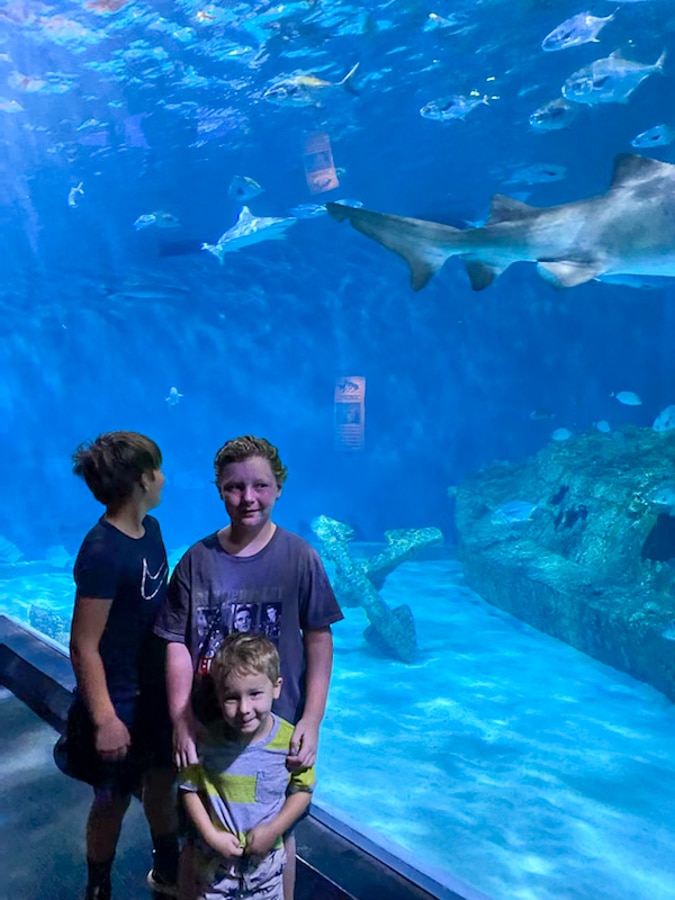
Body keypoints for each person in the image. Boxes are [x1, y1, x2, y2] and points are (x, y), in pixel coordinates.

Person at [154, 434, 343, 900]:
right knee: (198, 831)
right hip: (208, 725)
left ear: (278, 487)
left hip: (275, 728)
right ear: (220, 490)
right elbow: (176, 641)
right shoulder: (197, 561)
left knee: (279, 832)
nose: (248, 497)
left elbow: (319, 637)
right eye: (234, 487)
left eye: (260, 485)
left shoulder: (300, 557)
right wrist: (181, 719)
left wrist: (312, 720)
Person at [56, 431, 179, 900]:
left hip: (154, 692)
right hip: (118, 696)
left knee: (161, 781)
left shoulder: (152, 530)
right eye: (158, 468)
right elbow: (83, 645)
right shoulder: (103, 551)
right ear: (142, 479)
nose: (164, 477)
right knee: (112, 799)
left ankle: (167, 869)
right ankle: (98, 886)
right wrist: (105, 718)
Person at [179, 633, 314, 900]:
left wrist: (273, 831)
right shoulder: (207, 741)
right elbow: (188, 787)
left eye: (255, 694)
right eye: (231, 697)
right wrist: (211, 835)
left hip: (267, 869)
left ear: (276, 687)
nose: (244, 708)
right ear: (218, 696)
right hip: (215, 868)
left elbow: (303, 789)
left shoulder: (290, 741)